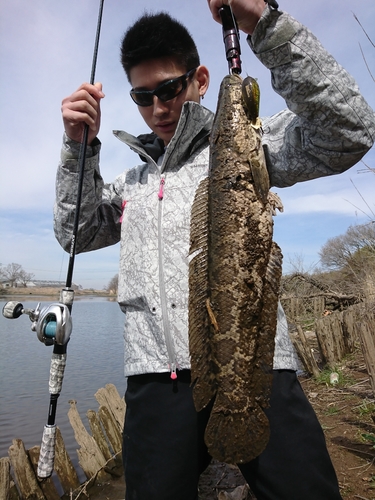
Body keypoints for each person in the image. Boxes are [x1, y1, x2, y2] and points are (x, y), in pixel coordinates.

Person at [55, 1, 375, 499]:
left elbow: (349, 129)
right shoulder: (131, 186)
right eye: (143, 96)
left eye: (169, 89)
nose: (158, 107)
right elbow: (76, 233)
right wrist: (79, 148)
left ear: (200, 79)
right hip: (158, 382)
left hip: (259, 362)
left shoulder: (248, 144)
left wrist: (263, 23)